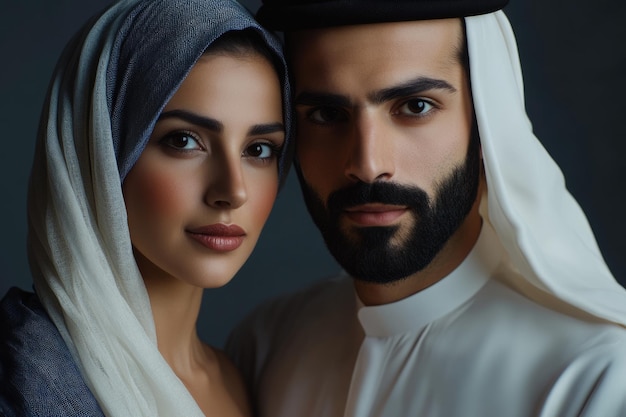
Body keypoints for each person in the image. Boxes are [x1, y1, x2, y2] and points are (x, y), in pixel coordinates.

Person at [225, 0, 626, 416]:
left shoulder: (593, 376)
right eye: (327, 114)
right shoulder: (267, 345)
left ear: (486, 118)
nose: (368, 165)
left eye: (415, 106)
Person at [0, 0, 292, 415]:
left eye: (258, 149)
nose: (233, 190)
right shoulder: (22, 379)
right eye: (184, 140)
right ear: (99, 149)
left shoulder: (247, 379)